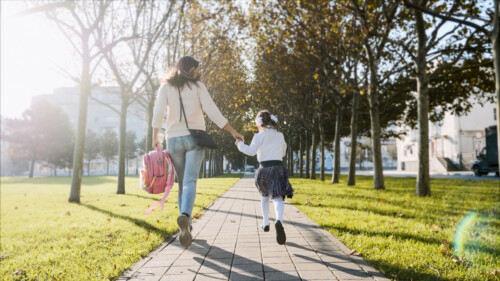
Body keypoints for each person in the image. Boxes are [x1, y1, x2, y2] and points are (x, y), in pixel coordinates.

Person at [152, 56, 243, 248]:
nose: (197, 72)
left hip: (173, 139)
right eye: (195, 69)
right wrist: (234, 132)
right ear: (189, 69)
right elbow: (213, 111)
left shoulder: (166, 87)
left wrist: (155, 137)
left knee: (181, 183)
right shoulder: (198, 86)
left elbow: (158, 112)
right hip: (194, 138)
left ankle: (186, 226)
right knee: (190, 181)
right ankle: (185, 215)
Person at [235, 110, 294, 245]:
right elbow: (283, 152)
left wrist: (239, 144)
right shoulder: (280, 136)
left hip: (264, 169)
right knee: (277, 198)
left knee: (264, 197)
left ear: (259, 123)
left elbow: (250, 151)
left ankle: (265, 223)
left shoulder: (258, 136)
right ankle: (279, 221)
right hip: (278, 168)